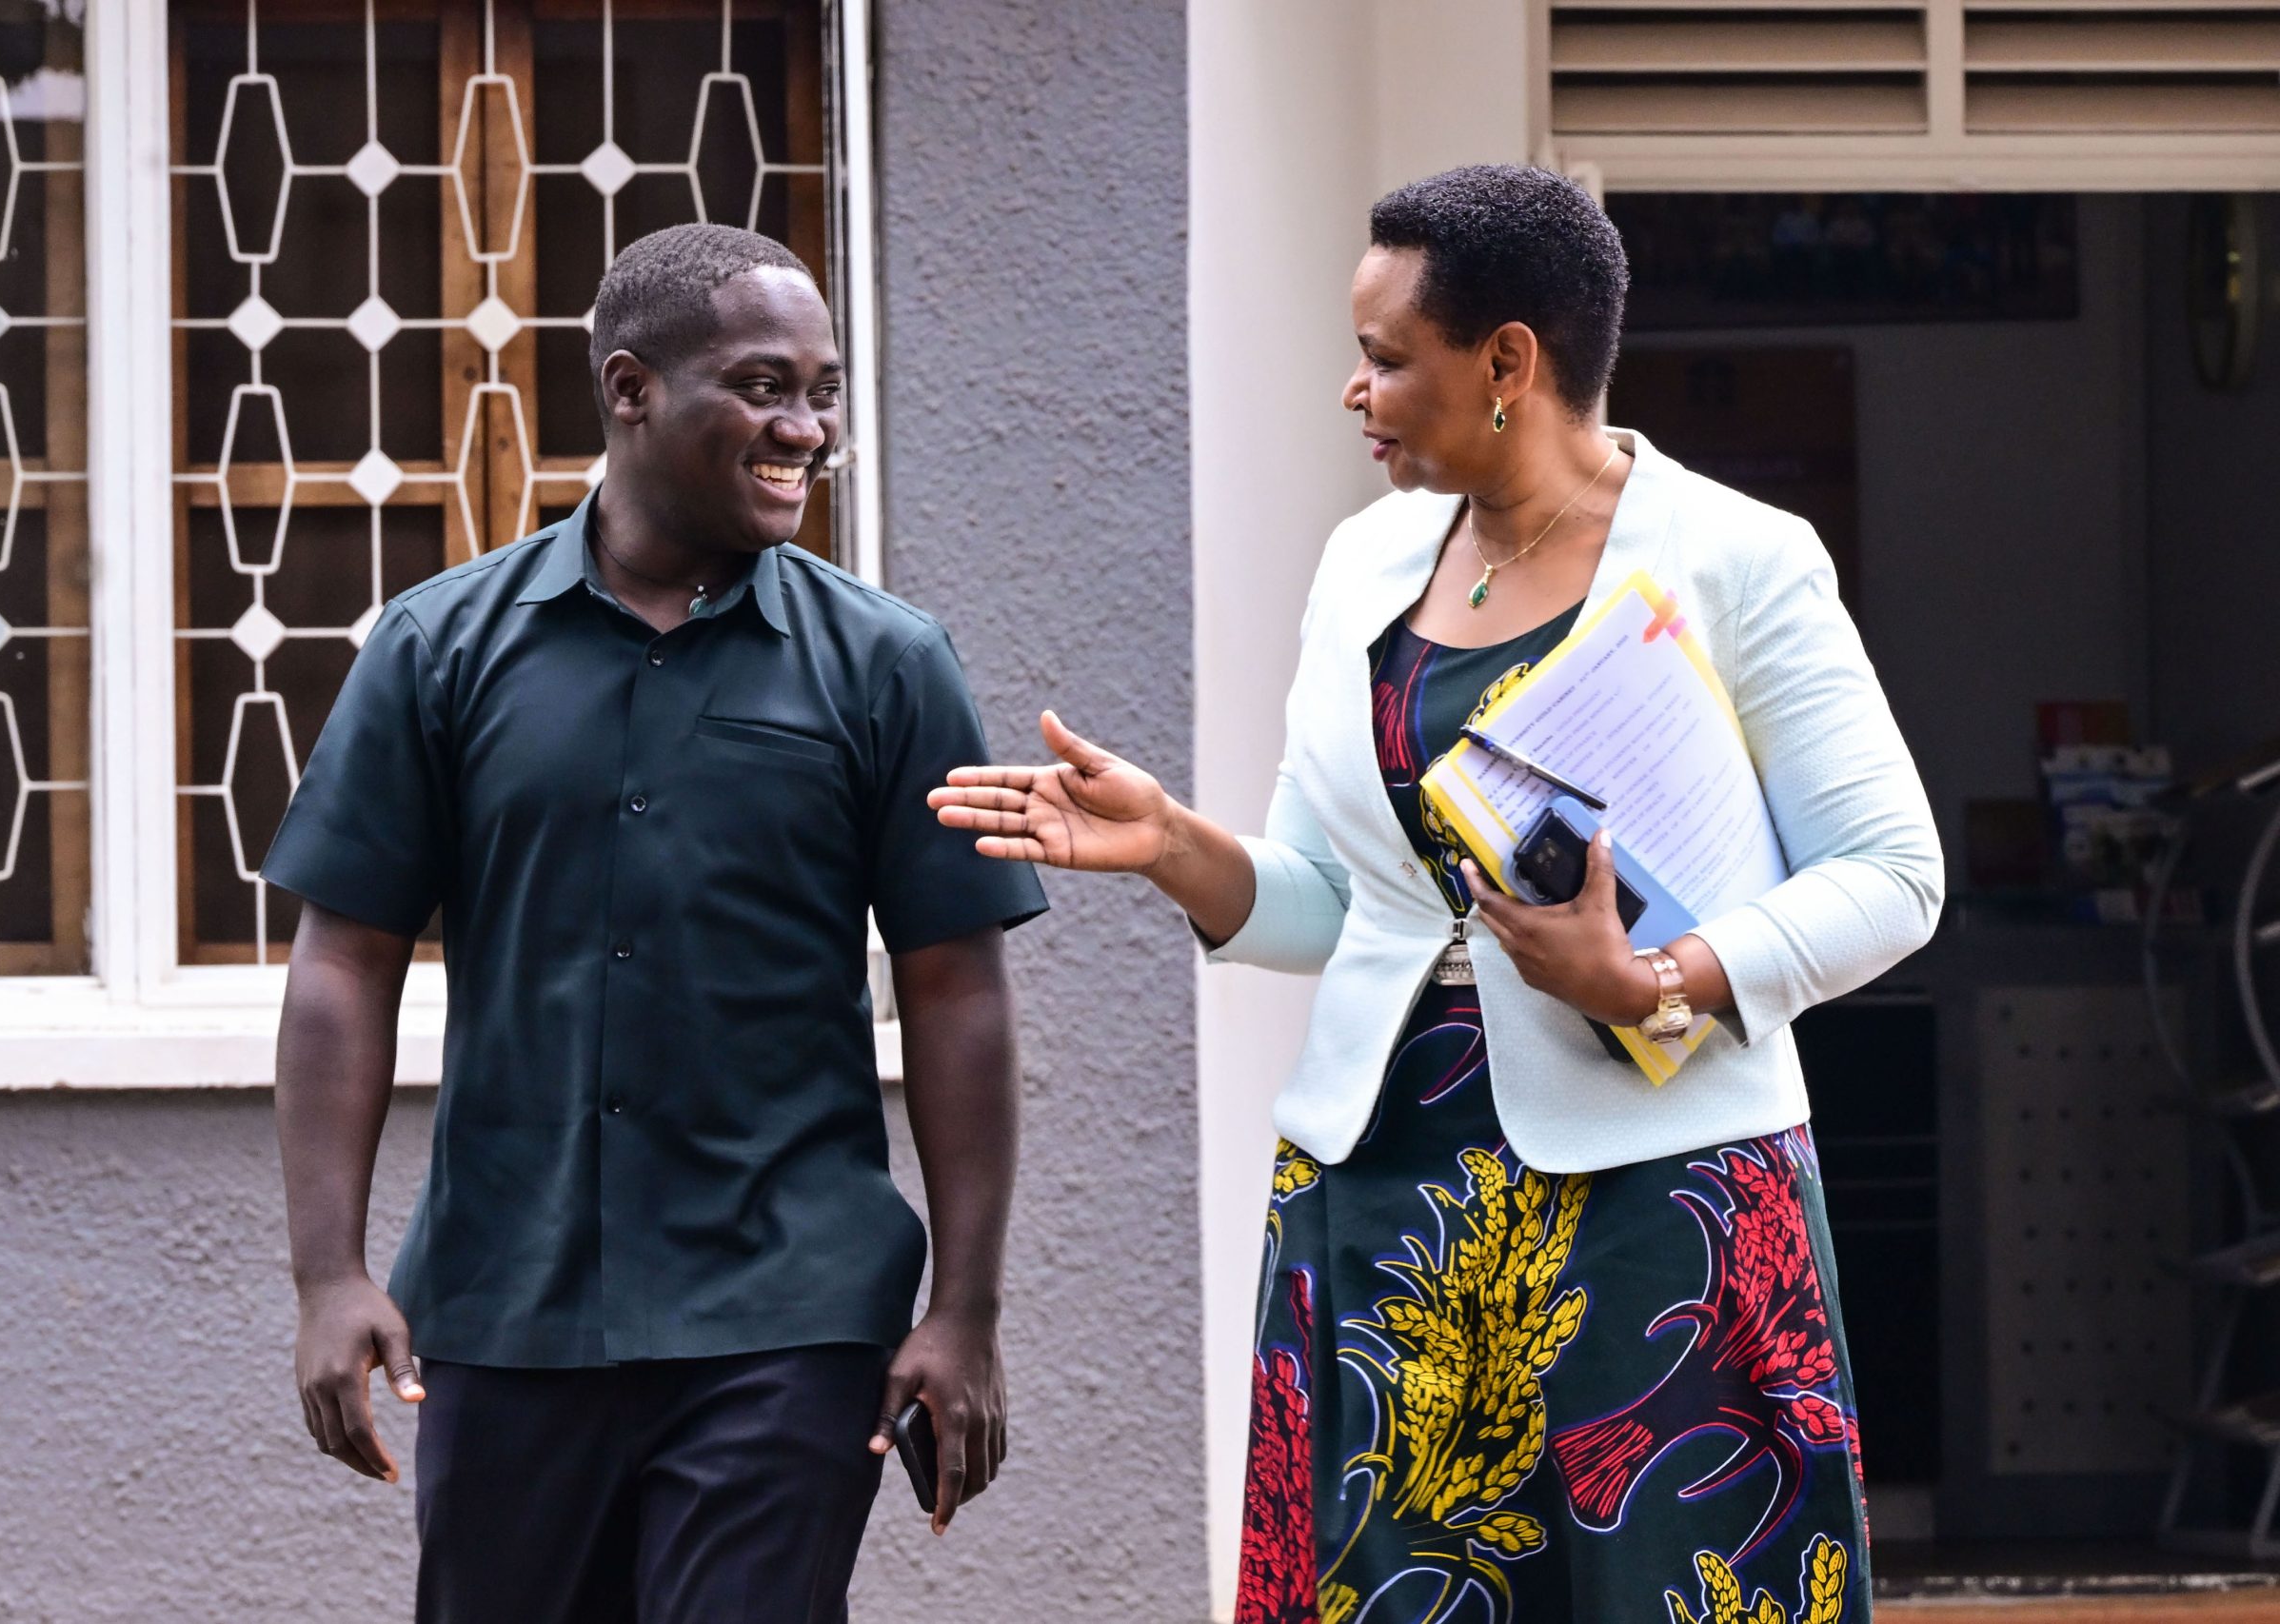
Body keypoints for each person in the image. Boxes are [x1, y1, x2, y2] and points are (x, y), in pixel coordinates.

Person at [932, 167, 1941, 1622]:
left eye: (1388, 357)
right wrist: (1170, 847)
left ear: (1509, 363)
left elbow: (1895, 876)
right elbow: (1337, 906)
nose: (1357, 391)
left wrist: (1652, 979)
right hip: (1383, 1191)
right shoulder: (1363, 567)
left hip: (1657, 1207)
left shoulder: (1740, 559)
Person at [265, 224, 1045, 1624]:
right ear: (630, 390)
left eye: (821, 390)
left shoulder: (888, 666)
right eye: (763, 387)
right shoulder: (440, 651)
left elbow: (955, 991)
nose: (803, 427)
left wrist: (965, 1308)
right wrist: (327, 1269)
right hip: (509, 1312)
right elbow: (345, 963)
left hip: (787, 1316)